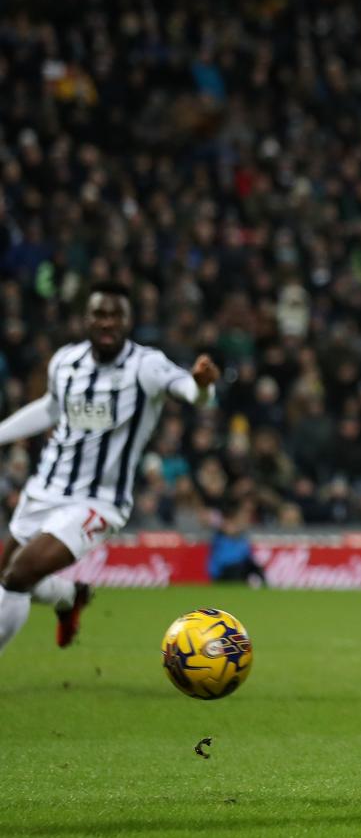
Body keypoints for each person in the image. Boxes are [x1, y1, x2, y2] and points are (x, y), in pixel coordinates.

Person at [0, 280, 220, 654]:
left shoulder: (146, 365)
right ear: (86, 319)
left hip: (97, 502)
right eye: (99, 314)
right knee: (10, 576)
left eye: (116, 315)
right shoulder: (65, 361)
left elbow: (191, 390)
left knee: (18, 576)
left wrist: (202, 386)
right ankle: (71, 596)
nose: (107, 323)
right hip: (44, 489)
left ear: (129, 320)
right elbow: (52, 408)